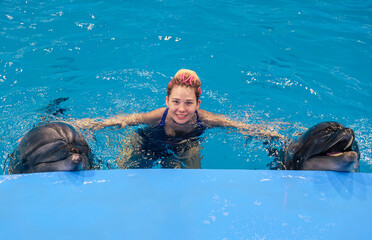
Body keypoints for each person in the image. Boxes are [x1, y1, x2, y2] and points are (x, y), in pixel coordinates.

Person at [73, 69, 282, 169]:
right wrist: (91, 125)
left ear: (198, 104)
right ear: (167, 101)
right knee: (130, 172)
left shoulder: (206, 119)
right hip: (149, 141)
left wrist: (267, 132)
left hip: (186, 144)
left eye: (189, 103)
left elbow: (237, 125)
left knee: (191, 174)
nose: (181, 109)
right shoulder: (157, 116)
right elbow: (127, 120)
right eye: (176, 102)